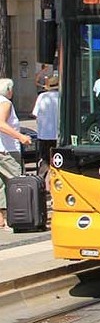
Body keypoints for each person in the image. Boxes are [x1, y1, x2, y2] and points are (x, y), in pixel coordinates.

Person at [0, 78, 32, 229]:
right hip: (7, 150)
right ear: (9, 91)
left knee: (1, 185)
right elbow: (1, 124)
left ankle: (2, 219)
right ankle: (16, 219)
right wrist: (21, 137)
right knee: (16, 183)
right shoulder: (5, 103)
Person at [32, 75, 59, 186]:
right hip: (58, 135)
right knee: (58, 161)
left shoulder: (42, 97)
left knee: (44, 160)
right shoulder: (62, 97)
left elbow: (35, 114)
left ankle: (39, 185)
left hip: (44, 134)